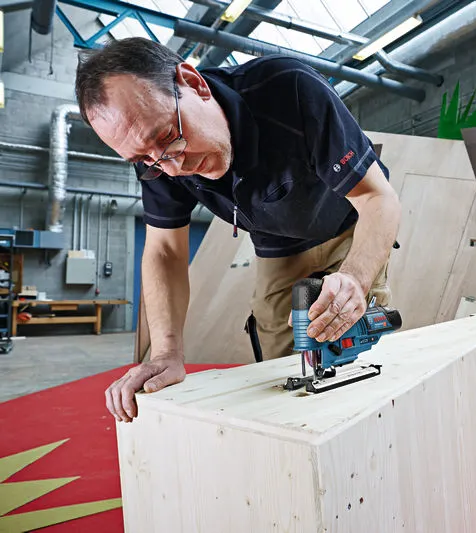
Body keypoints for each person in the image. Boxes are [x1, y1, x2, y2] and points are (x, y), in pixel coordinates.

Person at [74, 38, 401, 423]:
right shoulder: (156, 157)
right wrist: (166, 351)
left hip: (349, 222)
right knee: (279, 353)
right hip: (276, 241)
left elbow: (378, 198)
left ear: (193, 83)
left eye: (167, 137)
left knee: (351, 332)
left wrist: (355, 279)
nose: (174, 168)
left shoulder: (291, 89)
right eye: (144, 158)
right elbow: (165, 250)